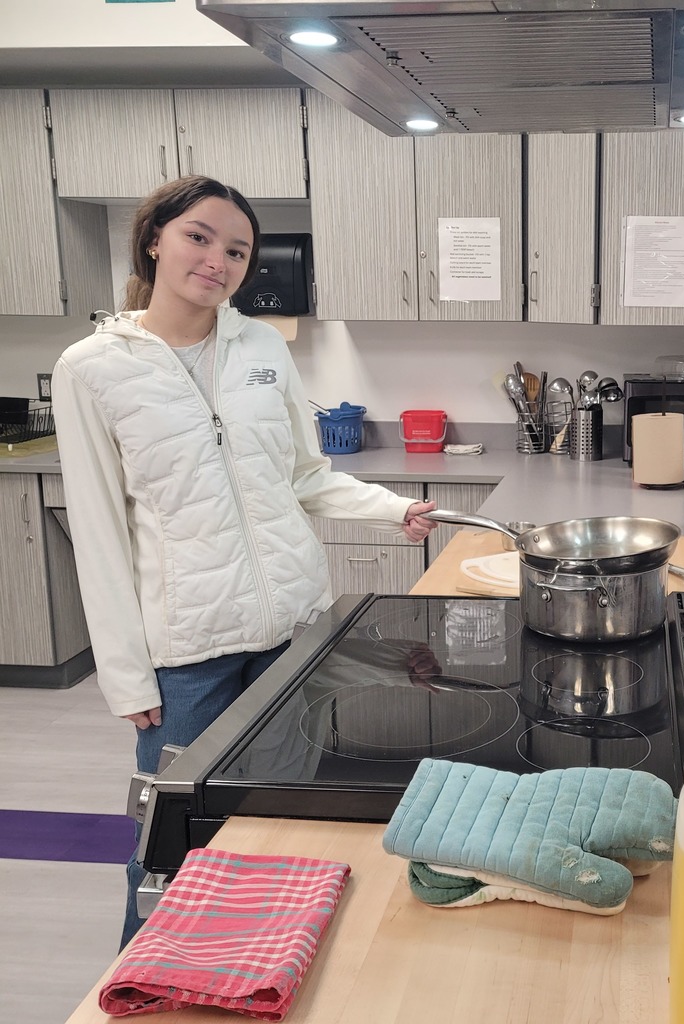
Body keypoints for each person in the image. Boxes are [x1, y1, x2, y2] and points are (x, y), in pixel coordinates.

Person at [51, 175, 438, 947]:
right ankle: (142, 980)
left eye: (236, 249)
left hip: (290, 632)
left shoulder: (262, 345)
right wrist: (126, 674)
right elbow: (97, 533)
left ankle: (253, 960)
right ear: (155, 237)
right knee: (171, 837)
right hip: (188, 652)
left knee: (276, 818)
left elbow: (304, 476)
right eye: (199, 236)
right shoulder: (92, 368)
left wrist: (395, 508)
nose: (217, 260)